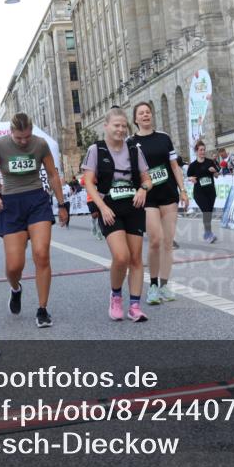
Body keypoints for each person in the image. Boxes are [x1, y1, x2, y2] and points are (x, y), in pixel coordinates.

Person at [0, 113, 68, 328]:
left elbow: (52, 174)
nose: (23, 141)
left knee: (41, 254)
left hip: (37, 200)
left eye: (26, 137)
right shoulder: (0, 145)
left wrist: (61, 203)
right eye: (19, 138)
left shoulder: (40, 144)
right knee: (14, 266)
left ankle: (42, 309)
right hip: (11, 204)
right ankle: (15, 288)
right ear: (11, 132)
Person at [83, 107, 153, 322]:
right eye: (116, 125)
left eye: (124, 126)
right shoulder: (96, 150)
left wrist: (143, 189)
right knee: (121, 257)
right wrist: (102, 207)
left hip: (133, 206)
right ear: (106, 126)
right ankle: (115, 296)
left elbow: (147, 179)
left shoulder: (134, 150)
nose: (121, 130)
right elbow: (88, 182)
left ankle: (134, 306)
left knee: (136, 258)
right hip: (110, 208)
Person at [129, 102, 189, 305]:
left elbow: (174, 166)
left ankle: (164, 284)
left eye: (148, 112)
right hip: (148, 197)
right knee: (155, 239)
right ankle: (153, 285)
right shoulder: (131, 142)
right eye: (141, 113)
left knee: (167, 243)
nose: (145, 115)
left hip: (168, 194)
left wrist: (183, 190)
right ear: (135, 119)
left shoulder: (164, 138)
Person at [186, 140, 219, 243]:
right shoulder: (193, 165)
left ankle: (207, 233)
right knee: (206, 211)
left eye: (204, 150)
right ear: (196, 151)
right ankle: (208, 234)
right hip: (199, 193)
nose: (203, 152)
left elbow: (217, 176)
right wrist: (191, 179)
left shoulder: (210, 162)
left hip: (211, 192)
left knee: (208, 212)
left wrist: (214, 172)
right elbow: (188, 177)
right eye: (200, 150)